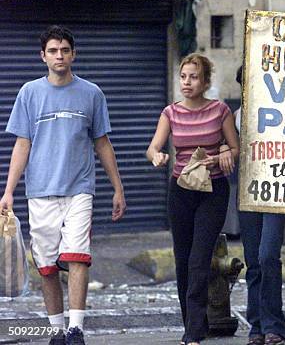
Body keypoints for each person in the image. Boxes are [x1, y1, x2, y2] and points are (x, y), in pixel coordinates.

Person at [0, 25, 126, 345]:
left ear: (74, 54)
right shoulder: (29, 93)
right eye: (53, 51)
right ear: (43, 56)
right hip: (40, 191)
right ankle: (57, 330)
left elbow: (102, 143)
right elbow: (22, 145)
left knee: (77, 255)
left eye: (65, 50)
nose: (60, 55)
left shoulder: (92, 93)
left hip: (79, 189)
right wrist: (8, 190)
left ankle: (76, 329)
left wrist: (118, 188)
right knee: (46, 265)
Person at [146, 53, 239, 345]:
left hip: (213, 191)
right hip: (181, 191)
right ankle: (192, 325)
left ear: (206, 81)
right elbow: (153, 147)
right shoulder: (170, 113)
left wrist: (223, 154)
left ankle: (195, 332)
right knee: (183, 260)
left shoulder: (220, 111)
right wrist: (157, 156)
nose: (187, 82)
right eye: (183, 76)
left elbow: (236, 149)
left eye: (194, 77)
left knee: (200, 260)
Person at [234, 66, 285, 345]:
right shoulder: (237, 116)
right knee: (253, 261)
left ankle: (274, 326)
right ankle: (258, 327)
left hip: (278, 190)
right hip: (248, 192)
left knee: (268, 256)